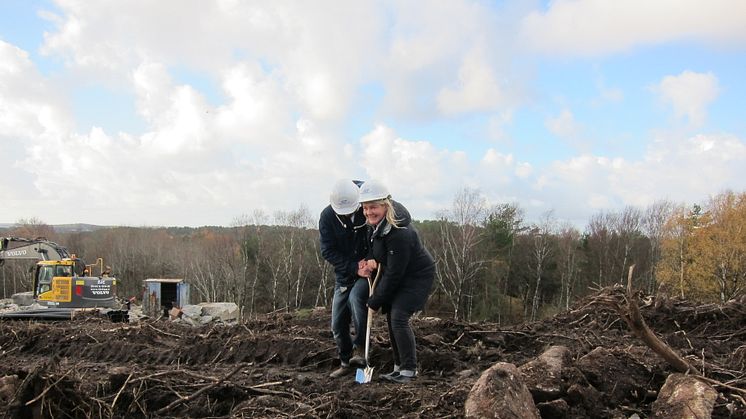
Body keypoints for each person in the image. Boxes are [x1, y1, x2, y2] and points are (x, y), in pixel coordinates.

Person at [358, 179, 435, 384]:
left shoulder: (400, 232)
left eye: (373, 207)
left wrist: (375, 301)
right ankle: (398, 367)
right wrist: (369, 261)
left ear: (385, 205)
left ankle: (409, 370)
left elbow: (394, 274)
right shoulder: (376, 226)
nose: (368, 212)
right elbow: (376, 252)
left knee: (399, 317)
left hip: (417, 277)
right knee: (392, 316)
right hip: (400, 274)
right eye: (365, 208)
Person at [319, 179, 372, 378]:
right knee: (337, 323)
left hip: (367, 271)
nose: (348, 214)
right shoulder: (327, 217)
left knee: (356, 301)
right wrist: (352, 267)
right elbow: (327, 251)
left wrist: (368, 262)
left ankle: (361, 353)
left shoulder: (366, 207)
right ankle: (345, 360)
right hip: (344, 274)